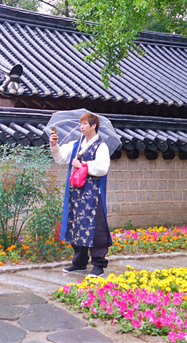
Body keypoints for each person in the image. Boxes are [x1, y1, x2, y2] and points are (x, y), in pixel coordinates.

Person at [50, 112, 112, 277]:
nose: (81, 126)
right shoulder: (75, 144)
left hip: (93, 193)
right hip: (77, 193)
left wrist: (82, 164)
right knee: (77, 226)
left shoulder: (101, 146)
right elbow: (61, 158)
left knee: (96, 228)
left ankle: (98, 264)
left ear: (93, 126)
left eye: (85, 124)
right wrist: (54, 145)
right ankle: (79, 262)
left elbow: (102, 167)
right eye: (81, 123)